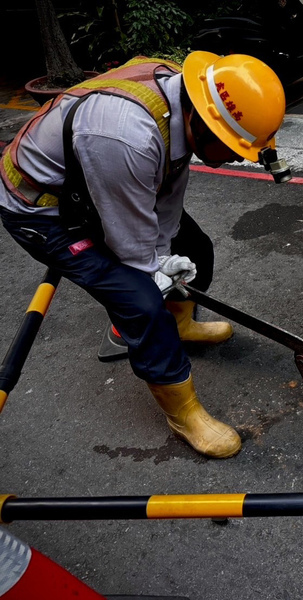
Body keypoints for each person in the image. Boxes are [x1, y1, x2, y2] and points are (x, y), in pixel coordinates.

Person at [0, 51, 286, 459]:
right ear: (202, 122)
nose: (238, 156)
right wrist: (154, 274)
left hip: (98, 186)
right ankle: (183, 412)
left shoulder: (186, 100)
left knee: (195, 250)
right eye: (230, 146)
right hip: (44, 208)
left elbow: (168, 187)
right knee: (139, 302)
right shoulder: (126, 136)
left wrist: (169, 254)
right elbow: (129, 243)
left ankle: (180, 325)